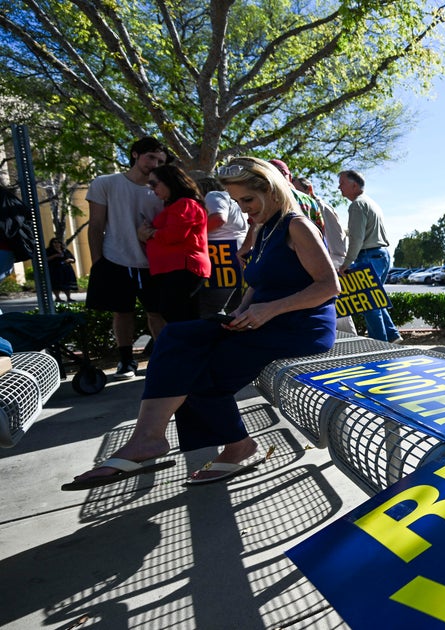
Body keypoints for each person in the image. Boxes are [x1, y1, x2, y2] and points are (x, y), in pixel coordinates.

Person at [64, 157, 340, 490]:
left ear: (271, 190)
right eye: (238, 202)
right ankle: (148, 437)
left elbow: (328, 286)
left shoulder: (297, 225)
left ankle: (237, 445)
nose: (244, 209)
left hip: (299, 326)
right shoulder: (266, 228)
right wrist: (243, 310)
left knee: (200, 372)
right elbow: (257, 285)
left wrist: (267, 311)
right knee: (174, 337)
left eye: (248, 201)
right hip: (263, 320)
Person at [85, 136, 170, 380]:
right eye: (150, 157)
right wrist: (98, 261)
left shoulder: (162, 191)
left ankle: (164, 358)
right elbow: (96, 225)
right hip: (115, 259)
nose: (154, 163)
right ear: (135, 154)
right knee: (122, 313)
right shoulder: (105, 183)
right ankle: (126, 361)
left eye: (160, 160)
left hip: (153, 262)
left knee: (157, 313)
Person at [136, 164, 211, 322]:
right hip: (174, 268)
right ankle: (190, 346)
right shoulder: (176, 205)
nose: (152, 189)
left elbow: (174, 235)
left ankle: (189, 346)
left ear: (169, 181)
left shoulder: (185, 204)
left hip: (183, 267)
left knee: (174, 312)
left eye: (154, 184)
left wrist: (150, 233)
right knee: (182, 315)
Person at [338, 169, 398, 342]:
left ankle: (381, 344)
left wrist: (346, 263)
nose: (339, 187)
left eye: (342, 183)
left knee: (369, 304)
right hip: (382, 255)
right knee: (376, 299)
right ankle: (392, 335)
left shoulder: (356, 205)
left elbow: (357, 239)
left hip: (368, 256)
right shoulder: (371, 203)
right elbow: (363, 231)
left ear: (354, 185)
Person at [295, 175, 356, 334]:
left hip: (332, 260)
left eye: (297, 189)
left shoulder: (319, 207)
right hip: (328, 260)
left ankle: (348, 344)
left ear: (309, 189)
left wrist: (333, 262)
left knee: (341, 312)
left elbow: (334, 237)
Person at [195, 173, 249, 317]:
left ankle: (213, 340)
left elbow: (218, 218)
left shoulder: (214, 195)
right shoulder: (235, 202)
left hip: (222, 259)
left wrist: (189, 236)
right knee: (235, 309)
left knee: (212, 311)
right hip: (239, 260)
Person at [45, 237, 79, 302]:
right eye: (54, 242)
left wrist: (69, 260)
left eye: (58, 242)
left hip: (66, 269)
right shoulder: (49, 251)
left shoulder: (65, 251)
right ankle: (57, 298)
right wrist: (55, 256)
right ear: (52, 243)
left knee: (67, 284)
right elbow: (46, 259)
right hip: (55, 270)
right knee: (56, 284)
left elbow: (73, 259)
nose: (57, 244)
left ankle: (69, 297)